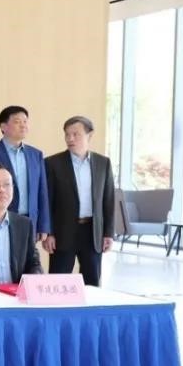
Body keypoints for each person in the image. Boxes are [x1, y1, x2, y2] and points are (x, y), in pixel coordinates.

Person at [43, 116, 115, 286]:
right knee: (57, 283)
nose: (70, 139)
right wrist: (49, 233)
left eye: (76, 134)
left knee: (92, 282)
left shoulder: (103, 163)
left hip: (92, 231)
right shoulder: (52, 163)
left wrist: (108, 233)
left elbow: (108, 200)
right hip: (62, 232)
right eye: (67, 134)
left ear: (89, 135)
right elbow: (47, 201)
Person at [0, 105, 50, 240]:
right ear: (3, 127)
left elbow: (42, 191)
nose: (23, 125)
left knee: (27, 254)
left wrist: (43, 226)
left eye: (25, 121)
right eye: (17, 122)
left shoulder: (35, 154)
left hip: (29, 221)